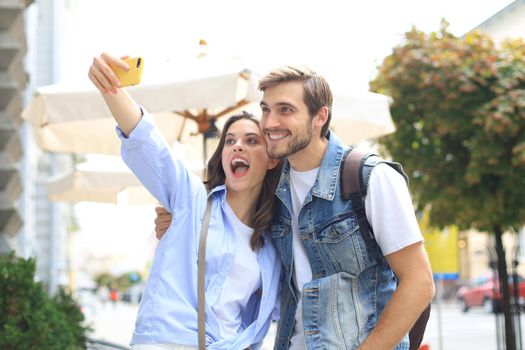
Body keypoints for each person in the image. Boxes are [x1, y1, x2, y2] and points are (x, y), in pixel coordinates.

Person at [155, 65, 435, 349]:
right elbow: (232, 231)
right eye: (266, 109)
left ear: (320, 116)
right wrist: (180, 222)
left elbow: (419, 282)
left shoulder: (369, 177)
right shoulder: (271, 188)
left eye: (285, 110)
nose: (269, 122)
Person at [88, 53, 283, 350]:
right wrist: (110, 88)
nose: (237, 145)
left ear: (271, 160)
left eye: (251, 141)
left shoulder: (272, 243)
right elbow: (149, 145)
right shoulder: (191, 200)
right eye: (229, 141)